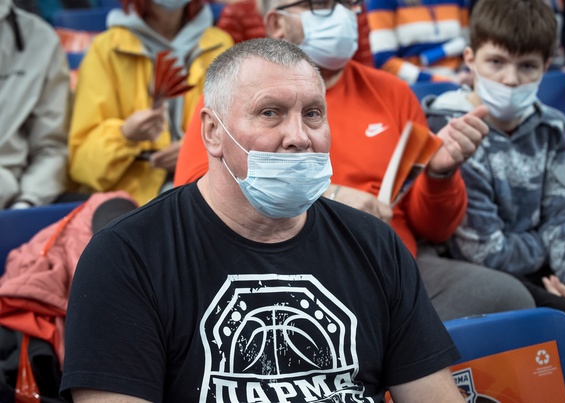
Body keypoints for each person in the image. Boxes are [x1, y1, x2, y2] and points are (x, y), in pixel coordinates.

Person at [60, 38, 464, 402]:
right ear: (213, 132)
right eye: (270, 113)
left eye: (313, 114)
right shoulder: (127, 257)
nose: (299, 136)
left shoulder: (375, 244)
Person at [175, 0, 535, 321]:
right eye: (319, 4)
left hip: (393, 268)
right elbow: (197, 197)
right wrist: (328, 197)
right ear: (277, 24)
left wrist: (440, 175)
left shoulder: (392, 93)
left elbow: (433, 230)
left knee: (507, 297)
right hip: (275, 274)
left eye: (347, 3)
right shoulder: (236, 94)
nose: (339, 14)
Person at [424, 0, 565, 347]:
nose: (510, 79)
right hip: (485, 277)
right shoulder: (451, 130)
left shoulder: (550, 126)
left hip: (542, 270)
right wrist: (546, 239)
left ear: (546, 66)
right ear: (470, 58)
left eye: (527, 66)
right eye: (496, 62)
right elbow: (482, 249)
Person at [67, 0, 233, 206]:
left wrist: (193, 151)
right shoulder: (106, 49)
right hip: (131, 199)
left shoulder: (221, 44)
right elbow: (81, 166)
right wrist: (124, 135)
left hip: (203, 190)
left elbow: (235, 136)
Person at [0, 0, 70, 209]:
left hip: (14, 197)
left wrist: (27, 202)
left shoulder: (40, 40)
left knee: (110, 208)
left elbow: (50, 147)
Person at [365, 0, 472, 85]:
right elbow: (383, 60)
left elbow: (468, 45)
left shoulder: (457, 1)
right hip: (415, 85)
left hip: (460, 81)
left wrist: (467, 72)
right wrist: (441, 80)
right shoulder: (381, 2)